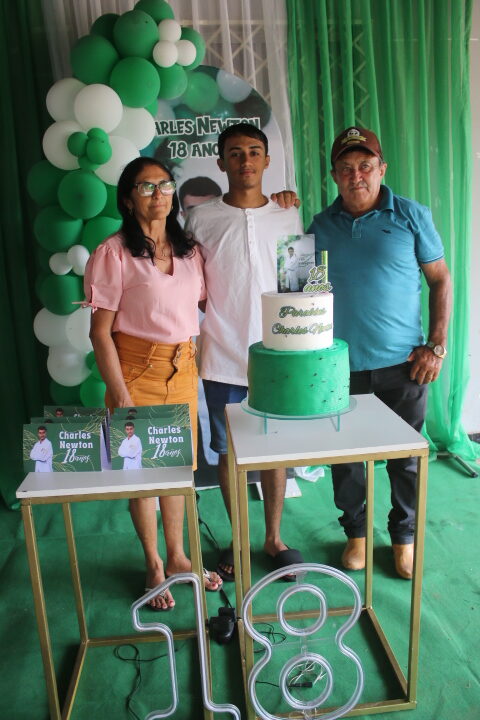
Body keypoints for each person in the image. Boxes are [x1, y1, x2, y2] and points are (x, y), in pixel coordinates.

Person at [308, 126, 452, 579]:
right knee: (346, 459)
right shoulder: (319, 226)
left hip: (404, 366)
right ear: (334, 175)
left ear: (381, 169)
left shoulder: (411, 215)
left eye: (366, 166)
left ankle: (403, 538)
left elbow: (440, 279)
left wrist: (436, 346)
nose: (357, 176)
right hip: (340, 367)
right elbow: (307, 293)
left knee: (404, 460)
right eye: (347, 168)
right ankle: (356, 535)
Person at [84, 156, 223, 610]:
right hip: (135, 372)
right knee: (143, 475)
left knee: (176, 470)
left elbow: (201, 306)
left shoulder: (189, 252)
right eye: (146, 187)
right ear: (128, 200)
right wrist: (121, 393)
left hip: (182, 369)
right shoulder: (113, 253)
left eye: (164, 185)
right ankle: (154, 564)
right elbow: (99, 333)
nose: (158, 194)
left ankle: (179, 556)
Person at [185, 122, 304, 582]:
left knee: (274, 449)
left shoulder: (287, 215)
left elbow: (298, 288)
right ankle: (239, 541)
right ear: (221, 162)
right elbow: (193, 289)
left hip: (278, 358)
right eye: (235, 153)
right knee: (228, 453)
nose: (246, 161)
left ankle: (274, 538)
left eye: (254, 151)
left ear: (267, 161)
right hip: (223, 354)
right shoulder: (200, 219)